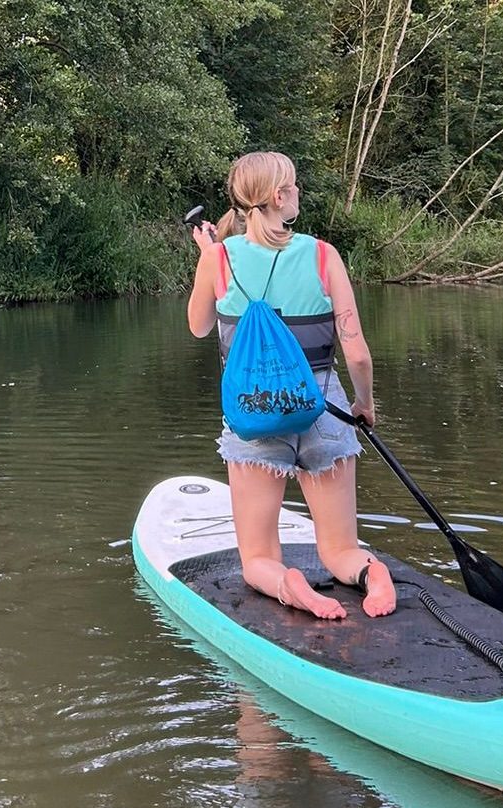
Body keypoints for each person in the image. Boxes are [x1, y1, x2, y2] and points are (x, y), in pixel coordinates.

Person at [187, 151, 395, 619]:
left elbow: (199, 327)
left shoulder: (218, 257)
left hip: (254, 413)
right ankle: (369, 574)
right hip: (324, 407)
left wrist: (208, 259)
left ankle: (288, 584)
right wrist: (363, 405)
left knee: (258, 559)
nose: (298, 192)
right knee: (341, 550)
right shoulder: (323, 255)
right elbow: (357, 351)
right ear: (280, 196)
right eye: (295, 185)